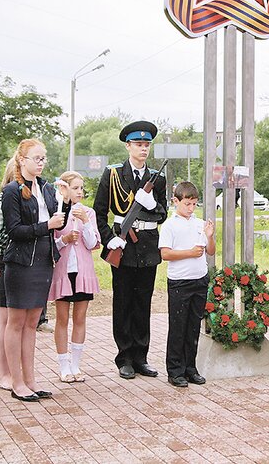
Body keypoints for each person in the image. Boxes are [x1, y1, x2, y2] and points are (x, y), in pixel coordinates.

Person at [94, 120, 168, 380]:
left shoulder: (157, 178)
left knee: (143, 303)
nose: (143, 148)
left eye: (147, 144)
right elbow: (99, 212)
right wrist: (109, 239)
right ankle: (124, 357)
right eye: (138, 144)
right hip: (122, 244)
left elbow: (163, 214)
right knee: (123, 301)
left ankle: (141, 357)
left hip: (147, 246)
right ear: (128, 146)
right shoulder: (113, 174)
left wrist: (152, 204)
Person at [1, 139, 62, 402]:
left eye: (43, 158)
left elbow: (59, 222)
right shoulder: (12, 191)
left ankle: (30, 380)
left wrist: (67, 204)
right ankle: (16, 382)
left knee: (32, 323)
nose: (41, 163)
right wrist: (46, 226)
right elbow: (14, 231)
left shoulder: (46, 188)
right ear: (22, 159)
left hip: (44, 260)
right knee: (16, 322)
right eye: (36, 158)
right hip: (20, 262)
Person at [158, 181, 216, 387]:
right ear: (176, 201)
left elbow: (210, 251)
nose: (191, 208)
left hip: (199, 279)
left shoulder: (200, 223)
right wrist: (189, 253)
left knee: (193, 327)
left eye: (194, 204)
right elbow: (165, 254)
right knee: (178, 327)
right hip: (180, 282)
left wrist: (209, 237)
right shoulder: (170, 225)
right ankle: (175, 370)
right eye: (187, 204)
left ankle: (190, 368)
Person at [49, 171, 101, 383]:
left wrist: (86, 222)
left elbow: (92, 243)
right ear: (65, 189)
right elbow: (51, 245)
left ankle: (76, 365)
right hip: (63, 271)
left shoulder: (89, 212)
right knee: (62, 319)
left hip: (83, 272)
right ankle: (63, 366)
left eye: (81, 188)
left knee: (80, 318)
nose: (80, 191)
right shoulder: (57, 213)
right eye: (75, 188)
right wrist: (65, 239)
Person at [0, 157, 18, 392]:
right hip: (5, 263)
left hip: (24, 265)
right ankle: (2, 372)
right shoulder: (1, 201)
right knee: (5, 320)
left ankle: (15, 371)